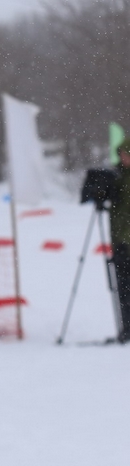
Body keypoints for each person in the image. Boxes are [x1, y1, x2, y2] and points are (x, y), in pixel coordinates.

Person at [110, 140, 130, 342]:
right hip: (120, 241)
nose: (124, 158)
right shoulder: (116, 176)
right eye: (122, 154)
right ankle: (127, 326)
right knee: (123, 288)